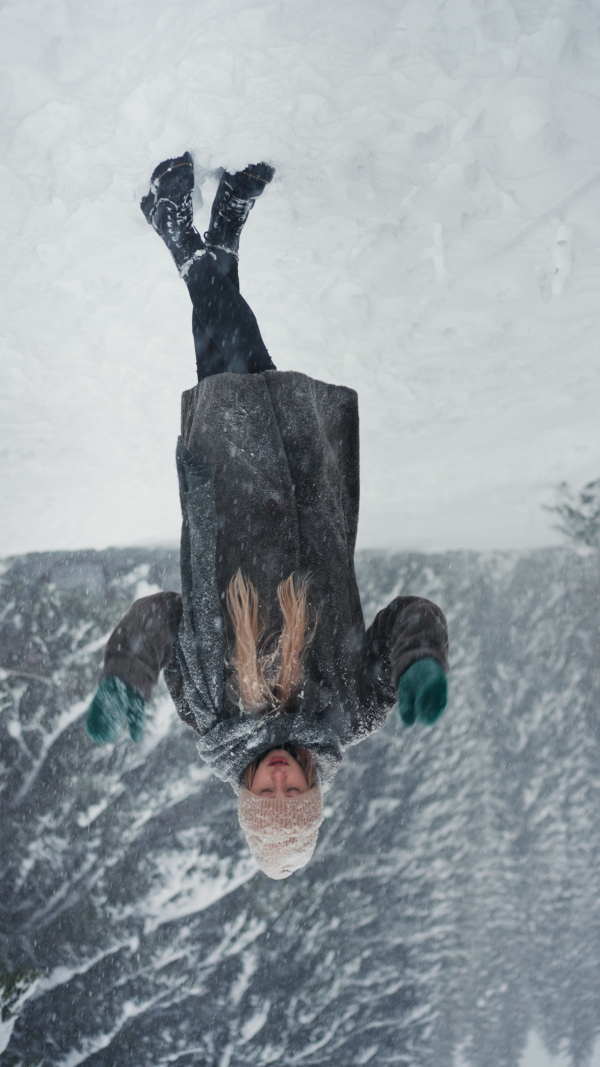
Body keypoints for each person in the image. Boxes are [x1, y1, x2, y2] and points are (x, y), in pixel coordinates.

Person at [85, 153, 450, 880]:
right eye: (295, 790)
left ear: (248, 793)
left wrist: (127, 674)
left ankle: (190, 237)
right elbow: (409, 613)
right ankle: (207, 239)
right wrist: (420, 662)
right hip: (305, 481)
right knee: (245, 356)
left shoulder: (210, 714)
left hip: (226, 484)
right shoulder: (352, 708)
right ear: (313, 789)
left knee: (224, 351)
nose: (281, 777)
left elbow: (164, 613)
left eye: (269, 792)